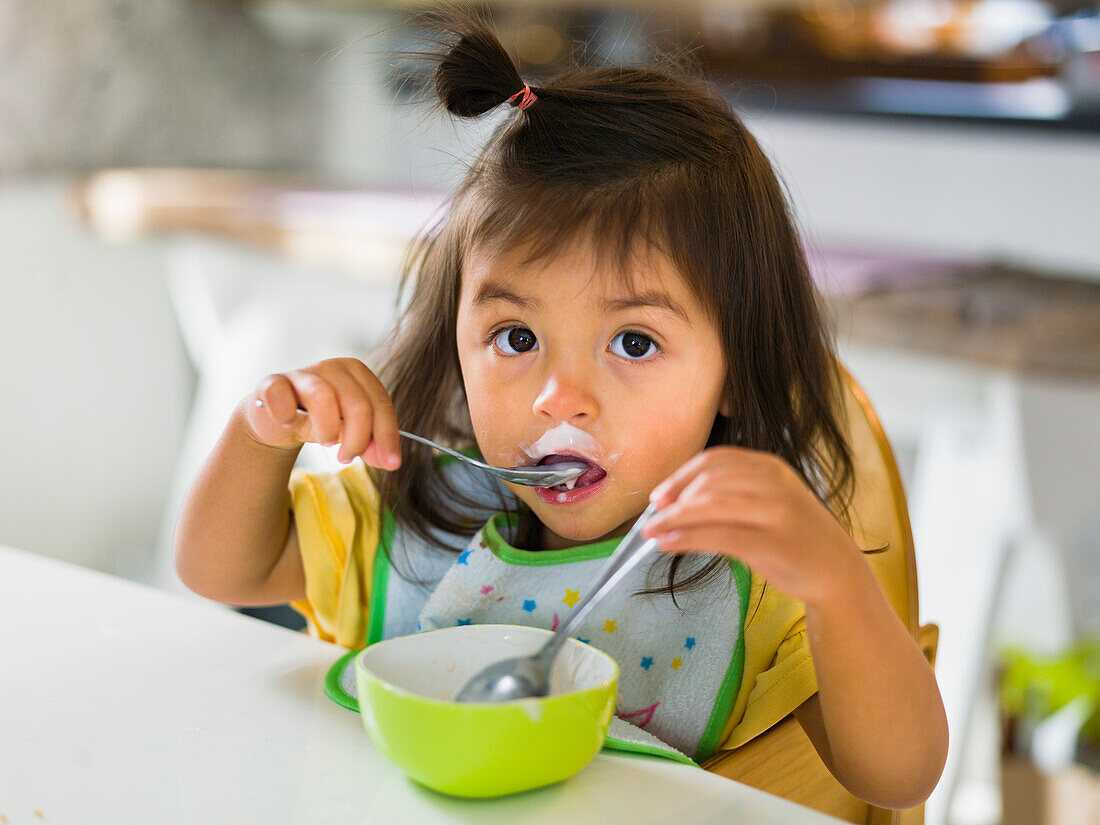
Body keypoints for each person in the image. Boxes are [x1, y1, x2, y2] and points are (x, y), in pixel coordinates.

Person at [174, 10, 947, 808]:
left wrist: (835, 584)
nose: (558, 397)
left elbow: (900, 773)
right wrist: (264, 432)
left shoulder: (752, 583)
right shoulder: (415, 511)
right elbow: (217, 570)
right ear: (455, 339)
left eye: (634, 343)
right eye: (515, 336)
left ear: (736, 372)